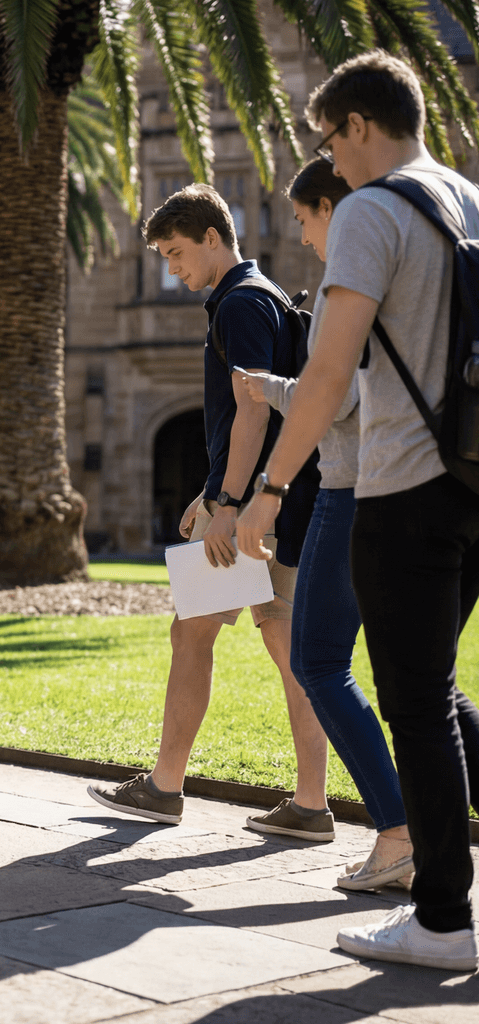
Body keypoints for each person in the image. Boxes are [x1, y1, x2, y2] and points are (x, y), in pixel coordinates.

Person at [237, 50, 479, 971]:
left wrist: (267, 490)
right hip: (470, 480)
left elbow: (329, 370)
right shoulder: (467, 198)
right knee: (441, 690)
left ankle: (445, 922)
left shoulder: (375, 209)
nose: (330, 165)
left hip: (404, 485)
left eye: (331, 141)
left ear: (362, 126)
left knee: (413, 699)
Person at [88, 184, 332, 841]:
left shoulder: (240, 303)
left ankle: (167, 788)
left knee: (206, 635)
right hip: (273, 501)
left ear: (212, 238)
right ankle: (309, 802)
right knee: (283, 650)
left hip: (254, 511)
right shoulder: (263, 296)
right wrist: (213, 489)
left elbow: (253, 406)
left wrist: (228, 503)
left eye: (176, 253)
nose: (172, 270)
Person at [239, 157, 413, 893]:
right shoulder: (420, 244)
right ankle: (411, 832)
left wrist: (265, 392)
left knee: (319, 663)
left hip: (353, 489)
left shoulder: (359, 261)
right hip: (415, 485)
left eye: (305, 221)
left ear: (329, 207)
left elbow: (333, 397)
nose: (304, 240)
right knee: (423, 681)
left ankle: (400, 834)